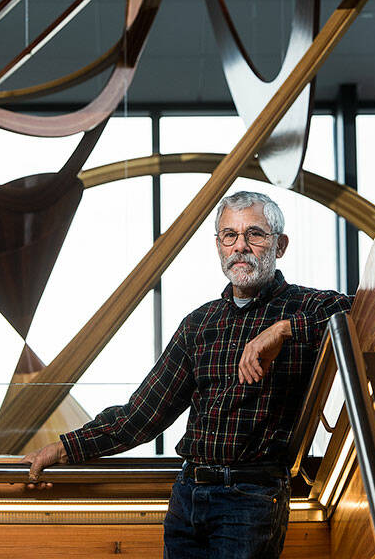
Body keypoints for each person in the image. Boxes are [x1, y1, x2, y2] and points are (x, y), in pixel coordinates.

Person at [24, 190, 353, 558]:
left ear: (280, 245)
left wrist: (283, 331)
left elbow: (364, 311)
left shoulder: (305, 305)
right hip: (187, 496)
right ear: (218, 246)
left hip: (251, 501)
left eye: (255, 234)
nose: (240, 246)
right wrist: (64, 448)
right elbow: (142, 416)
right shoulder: (199, 324)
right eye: (230, 235)